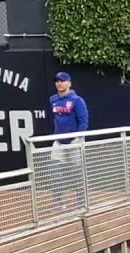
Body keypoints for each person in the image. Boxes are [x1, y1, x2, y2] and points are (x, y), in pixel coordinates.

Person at [49, 72, 89, 208]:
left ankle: (81, 202)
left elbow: (83, 121)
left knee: (77, 174)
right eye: (57, 81)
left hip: (74, 141)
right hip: (59, 141)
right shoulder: (53, 99)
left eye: (62, 81)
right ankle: (58, 202)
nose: (59, 83)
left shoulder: (77, 100)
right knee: (55, 172)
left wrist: (78, 138)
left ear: (69, 83)